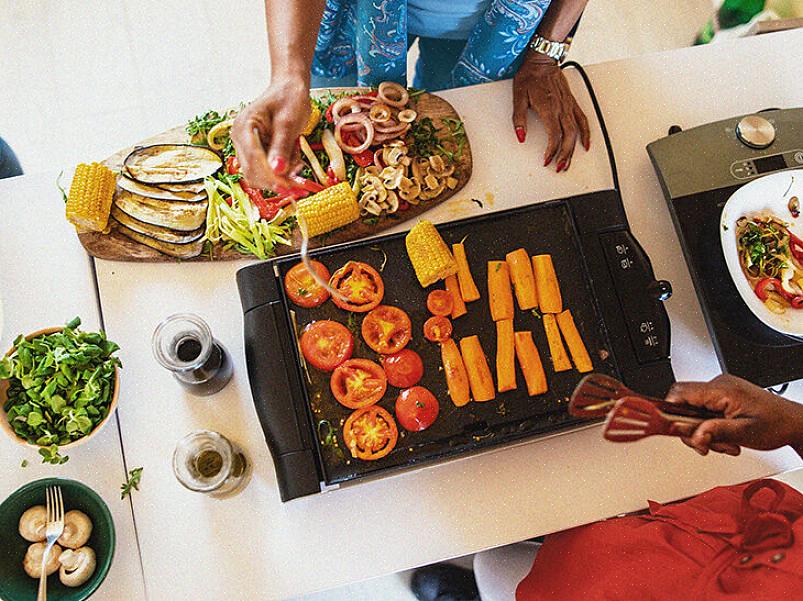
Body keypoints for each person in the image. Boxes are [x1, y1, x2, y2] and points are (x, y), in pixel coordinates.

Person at [413, 374, 803, 601]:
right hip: (710, 522)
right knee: (505, 555)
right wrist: (793, 424)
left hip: (593, 589)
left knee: (493, 565)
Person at [231, 0, 592, 192]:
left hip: (496, 22)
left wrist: (545, 53)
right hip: (361, 12)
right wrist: (289, 74)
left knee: (457, 127)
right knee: (345, 116)